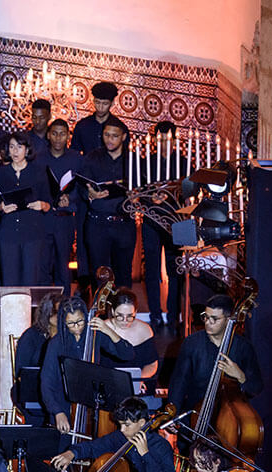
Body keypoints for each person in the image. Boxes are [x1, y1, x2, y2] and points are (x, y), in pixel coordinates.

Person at [41, 296, 135, 433]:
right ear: (63, 323)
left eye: (80, 321)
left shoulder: (95, 334)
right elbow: (46, 381)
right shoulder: (55, 344)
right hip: (63, 405)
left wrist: (108, 330)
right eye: (71, 323)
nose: (77, 327)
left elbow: (127, 354)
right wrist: (57, 412)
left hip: (92, 406)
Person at [51, 396, 176, 472]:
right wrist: (71, 453)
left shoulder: (160, 446)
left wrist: (146, 455)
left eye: (126, 425)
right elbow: (92, 447)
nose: (122, 429)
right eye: (120, 424)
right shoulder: (119, 437)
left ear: (142, 423)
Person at [167, 293, 263, 412]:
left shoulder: (243, 347)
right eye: (206, 317)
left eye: (215, 319)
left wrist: (240, 376)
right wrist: (172, 412)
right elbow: (179, 383)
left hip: (230, 418)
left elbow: (256, 387)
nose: (208, 322)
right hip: (195, 414)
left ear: (228, 320)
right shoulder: (192, 343)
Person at [141, 121, 186, 328]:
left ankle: (175, 312)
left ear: (175, 140)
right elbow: (139, 193)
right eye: (160, 140)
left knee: (176, 268)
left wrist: (169, 196)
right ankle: (155, 313)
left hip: (178, 221)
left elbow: (190, 194)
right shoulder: (145, 163)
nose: (164, 144)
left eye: (168, 140)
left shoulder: (184, 163)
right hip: (152, 219)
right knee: (151, 269)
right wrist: (151, 198)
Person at [81, 115, 135, 290]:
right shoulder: (92, 157)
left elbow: (143, 185)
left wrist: (137, 195)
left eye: (114, 136)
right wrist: (89, 194)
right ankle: (101, 314)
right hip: (97, 224)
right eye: (106, 135)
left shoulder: (133, 160)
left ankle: (123, 313)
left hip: (124, 224)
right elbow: (81, 185)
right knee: (100, 274)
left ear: (124, 137)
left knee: (124, 274)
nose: (109, 140)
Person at [0, 132, 52, 286]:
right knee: (9, 282)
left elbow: (49, 203)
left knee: (30, 282)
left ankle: (29, 312)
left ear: (27, 150)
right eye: (11, 147)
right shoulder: (0, 172)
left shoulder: (38, 172)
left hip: (32, 233)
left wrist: (42, 205)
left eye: (19, 147)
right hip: (8, 233)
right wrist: (1, 207)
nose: (15, 151)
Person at [37, 119, 81, 288]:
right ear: (48, 135)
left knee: (64, 266)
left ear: (68, 136)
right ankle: (44, 309)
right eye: (54, 133)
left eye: (62, 134)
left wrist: (70, 198)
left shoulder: (76, 159)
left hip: (65, 220)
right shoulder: (38, 159)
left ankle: (64, 308)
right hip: (43, 219)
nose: (58, 138)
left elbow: (83, 187)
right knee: (43, 266)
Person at [13, 291, 63, 424]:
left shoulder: (66, 336)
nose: (63, 316)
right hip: (33, 391)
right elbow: (20, 372)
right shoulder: (31, 336)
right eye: (59, 312)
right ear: (48, 313)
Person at [102, 290, 159, 380]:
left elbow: (152, 365)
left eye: (129, 316)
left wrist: (139, 379)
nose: (125, 321)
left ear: (135, 312)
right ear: (113, 311)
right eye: (120, 316)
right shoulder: (102, 329)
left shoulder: (145, 330)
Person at [72, 81, 118, 156]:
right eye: (97, 102)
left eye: (105, 104)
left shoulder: (118, 128)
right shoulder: (82, 126)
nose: (100, 107)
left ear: (112, 103)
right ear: (93, 101)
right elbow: (74, 153)